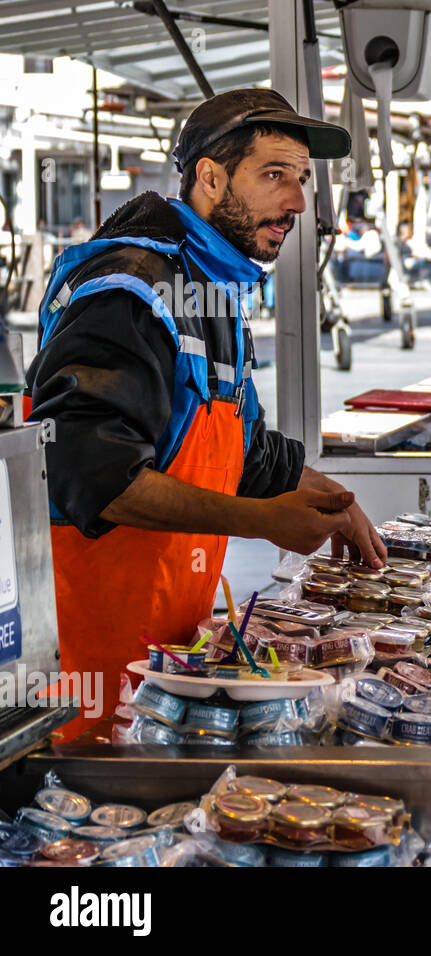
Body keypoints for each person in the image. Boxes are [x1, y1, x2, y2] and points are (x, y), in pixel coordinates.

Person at [27, 89, 386, 738]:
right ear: (210, 177)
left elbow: (242, 452)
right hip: (97, 668)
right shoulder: (128, 290)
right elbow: (90, 474)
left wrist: (334, 499)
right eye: (274, 175)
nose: (298, 203)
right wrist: (260, 522)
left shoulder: (214, 289)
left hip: (169, 661)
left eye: (302, 180)